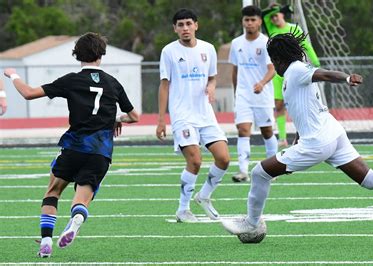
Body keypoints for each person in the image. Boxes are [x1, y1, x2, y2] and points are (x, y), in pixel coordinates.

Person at [221, 31, 373, 235]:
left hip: (318, 143)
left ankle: (251, 223)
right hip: (331, 132)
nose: (273, 64)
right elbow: (307, 109)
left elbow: (323, 73)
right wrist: (298, 139)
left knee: (259, 172)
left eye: (273, 59)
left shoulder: (295, 69)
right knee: (369, 179)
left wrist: (346, 78)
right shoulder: (293, 75)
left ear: (280, 58)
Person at [4, 32, 139, 257]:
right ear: (101, 54)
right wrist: (116, 119)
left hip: (75, 147)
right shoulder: (112, 82)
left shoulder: (71, 80)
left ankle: (46, 242)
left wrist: (14, 75)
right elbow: (134, 116)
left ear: (77, 55)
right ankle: (77, 218)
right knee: (82, 199)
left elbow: (28, 94)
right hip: (101, 152)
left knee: (53, 191)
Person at [156, 8, 230, 223]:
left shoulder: (208, 48)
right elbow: (164, 85)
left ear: (196, 25)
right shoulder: (168, 51)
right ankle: (183, 209)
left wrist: (212, 87)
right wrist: (162, 119)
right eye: (180, 25)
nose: (185, 28)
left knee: (224, 158)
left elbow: (212, 77)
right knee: (195, 161)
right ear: (175, 29)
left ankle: (204, 196)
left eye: (189, 23)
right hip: (182, 115)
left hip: (205, 114)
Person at [262, 3, 321, 147]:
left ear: (283, 14)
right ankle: (282, 138)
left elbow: (306, 46)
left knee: (299, 104)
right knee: (279, 105)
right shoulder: (271, 29)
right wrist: (274, 8)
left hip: (294, 72)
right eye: (273, 16)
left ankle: (304, 134)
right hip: (279, 74)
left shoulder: (294, 28)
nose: (274, 18)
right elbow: (264, 15)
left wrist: (315, 62)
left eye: (277, 15)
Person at [229, 5, 277, 182]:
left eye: (253, 20)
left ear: (259, 22)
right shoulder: (236, 43)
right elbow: (235, 70)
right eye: (246, 20)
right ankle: (243, 171)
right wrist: (236, 93)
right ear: (243, 22)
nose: (249, 23)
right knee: (243, 130)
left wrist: (262, 83)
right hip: (243, 96)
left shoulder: (266, 43)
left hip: (262, 96)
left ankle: (272, 169)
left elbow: (272, 69)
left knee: (266, 131)